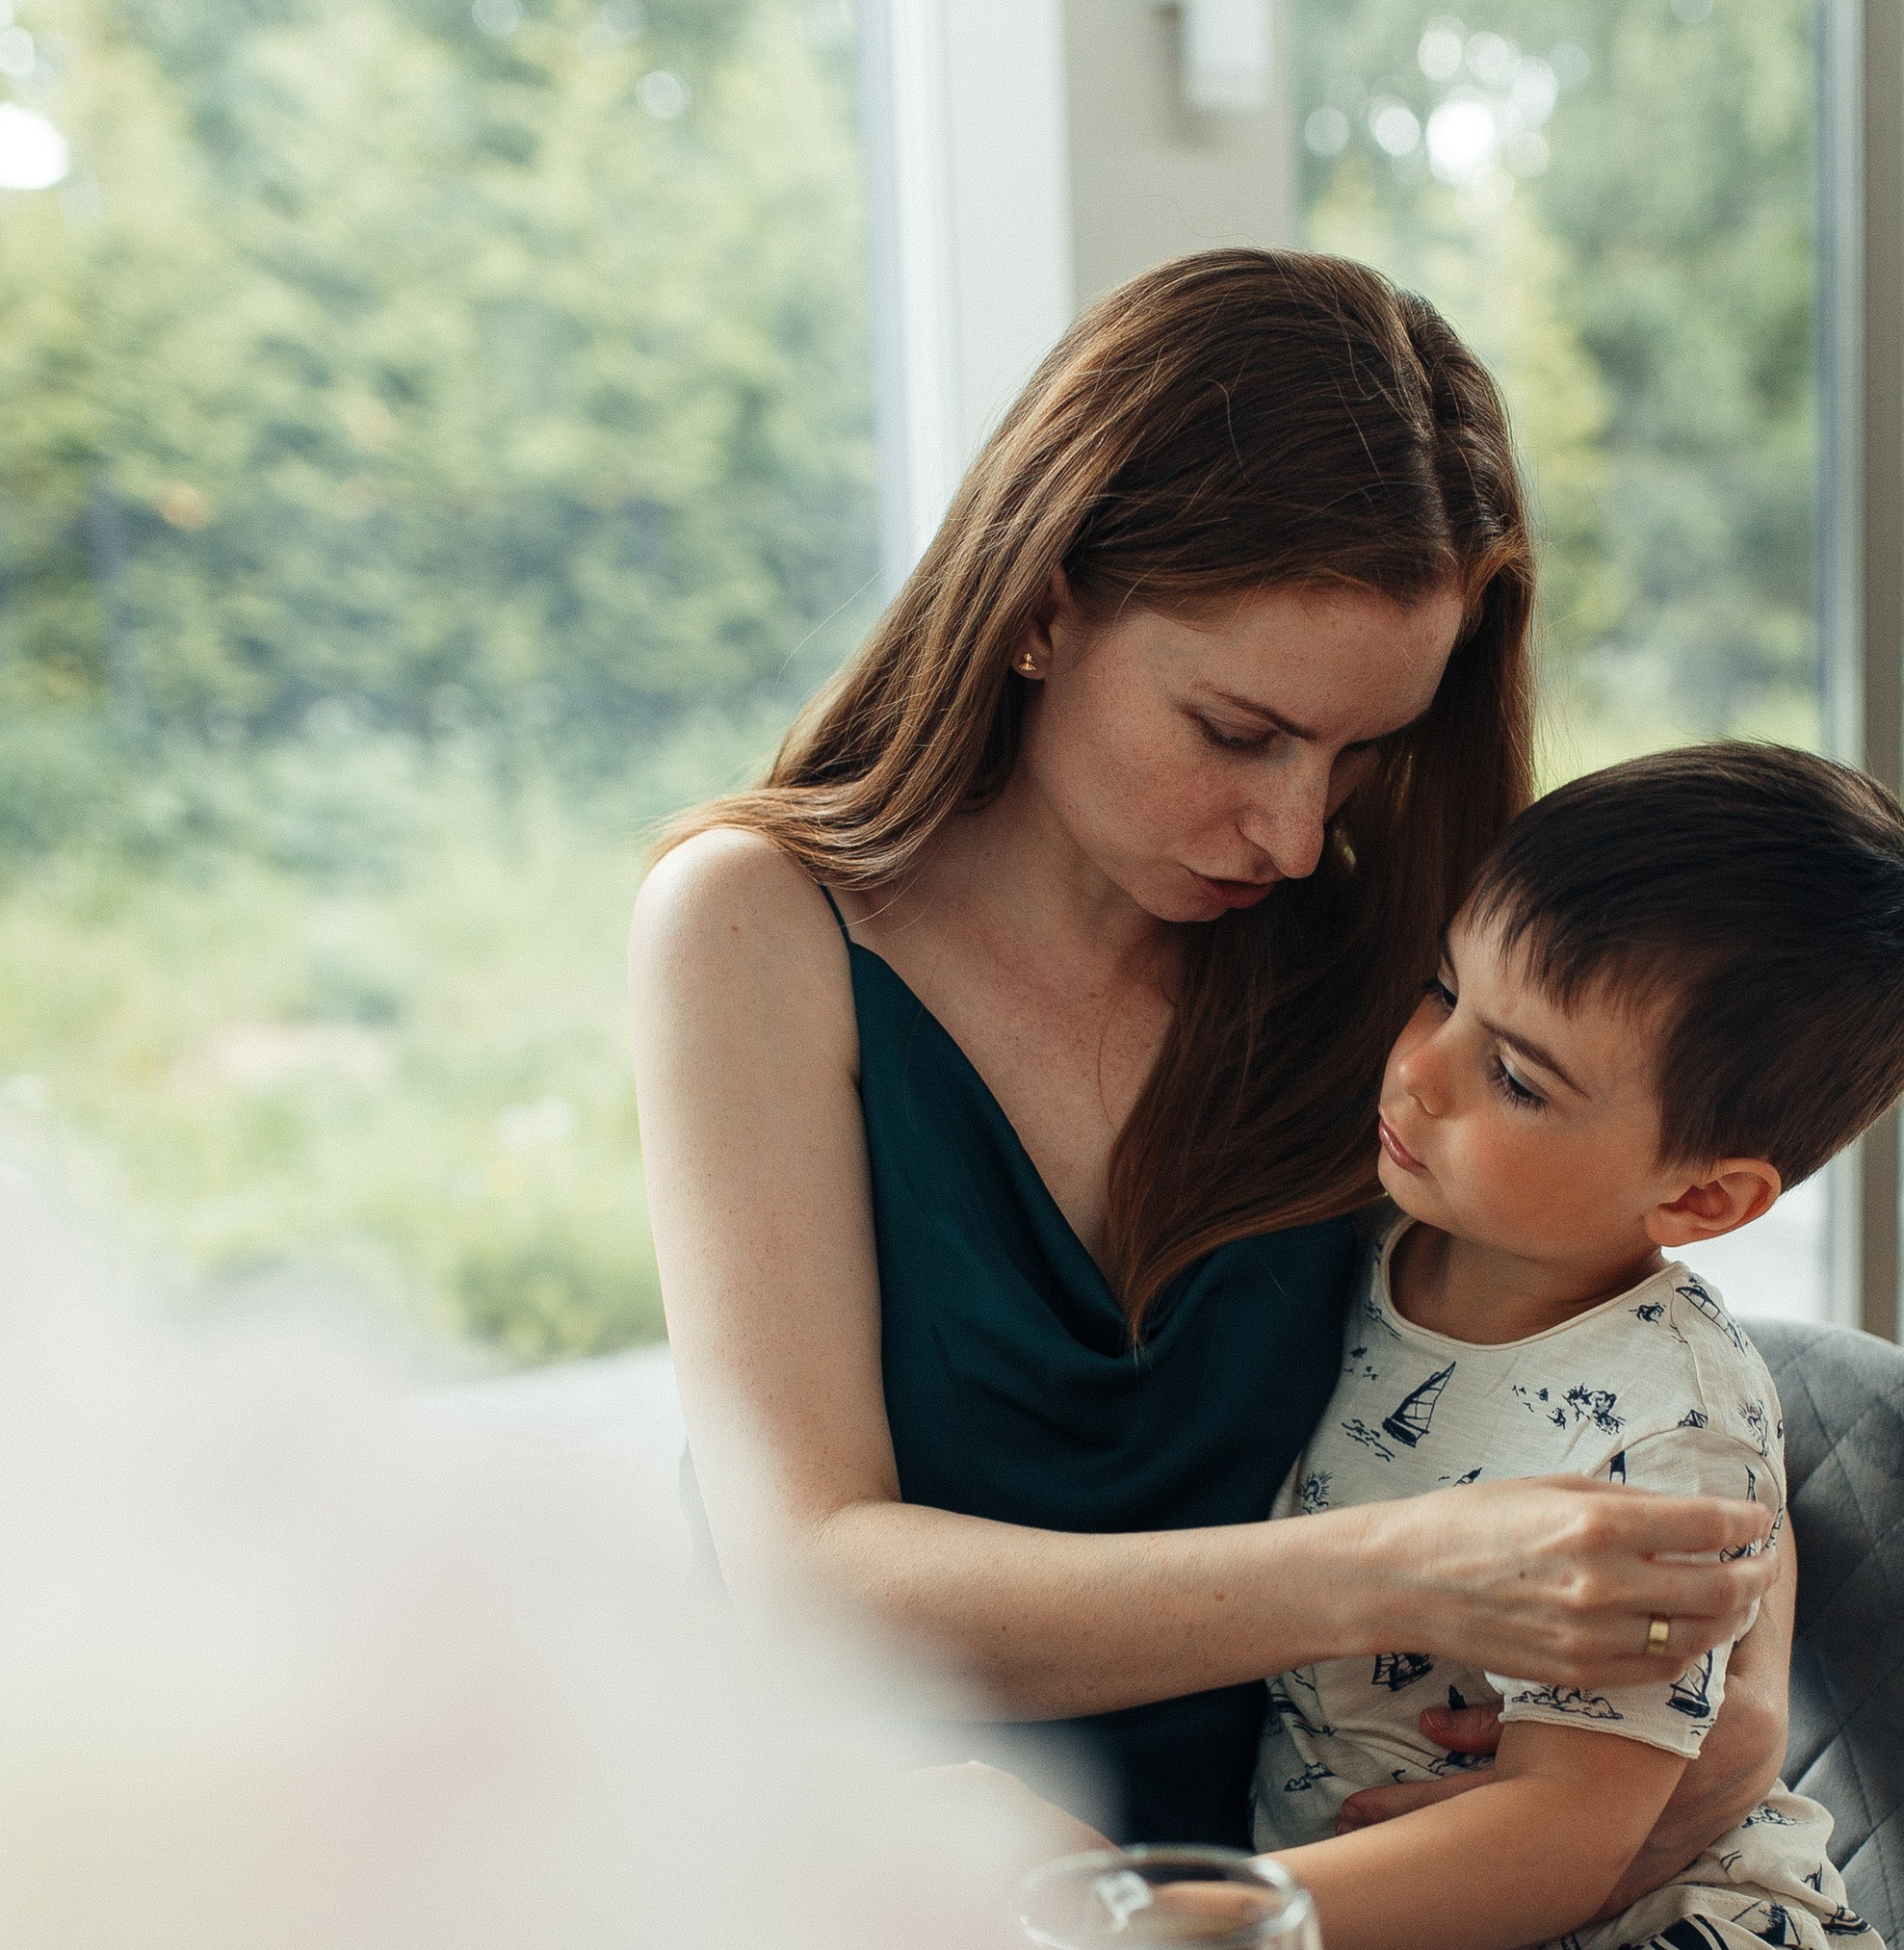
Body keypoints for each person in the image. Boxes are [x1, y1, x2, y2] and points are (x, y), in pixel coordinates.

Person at [633, 248, 1789, 1859]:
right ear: (1042, 604)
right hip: (901, 1908)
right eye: (1239, 733)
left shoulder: (1397, 965)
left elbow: (1620, 1298)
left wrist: (1737, 1682)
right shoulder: (754, 930)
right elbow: (819, 1581)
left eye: (1363, 750)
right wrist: (1407, 1573)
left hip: (1318, 1916)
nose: (1299, 832)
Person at [1250, 745, 1904, 1950]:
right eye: (1443, 988)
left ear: (1703, 1197)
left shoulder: (1669, 1422)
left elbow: (1569, 1835)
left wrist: (1216, 1923)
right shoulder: (1348, 1248)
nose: (1419, 1066)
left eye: (1516, 1074)